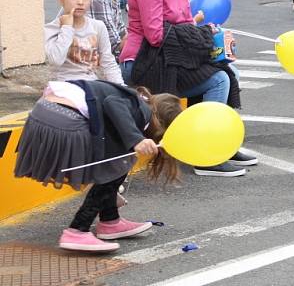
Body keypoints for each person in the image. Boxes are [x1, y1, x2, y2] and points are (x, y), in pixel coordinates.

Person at [120, 0, 255, 175]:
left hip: (168, 56)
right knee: (218, 79)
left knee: (229, 72)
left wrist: (207, 35)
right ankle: (203, 153)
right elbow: (156, 34)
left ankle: (218, 144)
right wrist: (198, 36)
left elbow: (182, 25)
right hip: (144, 61)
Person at [14, 83, 182, 253]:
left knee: (116, 160)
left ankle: (110, 220)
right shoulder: (143, 110)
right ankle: (78, 230)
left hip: (41, 115)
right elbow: (112, 103)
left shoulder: (135, 99)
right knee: (119, 163)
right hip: (63, 119)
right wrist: (136, 139)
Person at [45, 0, 124, 85]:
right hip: (63, 86)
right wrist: (66, 28)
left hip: (91, 85)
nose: (80, 2)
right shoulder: (52, 28)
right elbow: (56, 60)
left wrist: (122, 88)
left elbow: (108, 62)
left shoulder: (98, 27)